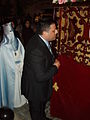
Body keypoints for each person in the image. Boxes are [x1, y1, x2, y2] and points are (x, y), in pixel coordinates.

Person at [21, 18, 60, 120]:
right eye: (53, 30)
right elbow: (41, 76)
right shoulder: (36, 49)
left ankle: (42, 117)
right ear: (44, 33)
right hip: (35, 89)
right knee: (36, 111)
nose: (56, 32)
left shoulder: (41, 39)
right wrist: (55, 67)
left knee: (41, 109)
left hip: (40, 87)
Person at [0, 21, 27, 110]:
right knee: (13, 87)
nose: (11, 35)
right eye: (9, 33)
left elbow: (22, 52)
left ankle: (21, 100)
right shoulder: (2, 47)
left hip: (19, 68)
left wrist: (21, 63)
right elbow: (4, 63)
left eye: (12, 32)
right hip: (9, 72)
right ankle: (13, 102)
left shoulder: (18, 41)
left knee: (20, 85)